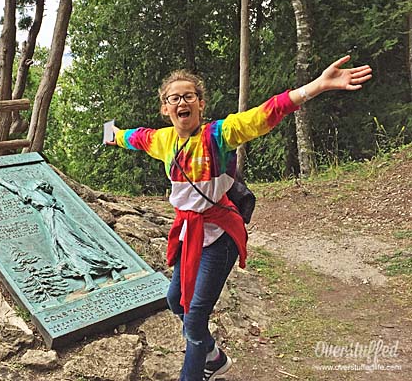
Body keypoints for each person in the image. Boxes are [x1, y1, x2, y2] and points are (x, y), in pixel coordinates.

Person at [106, 55, 372, 380]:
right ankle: (214, 357)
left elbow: (265, 114)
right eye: (173, 98)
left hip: (220, 238)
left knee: (193, 319)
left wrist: (316, 86)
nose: (181, 102)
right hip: (189, 236)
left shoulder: (219, 135)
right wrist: (113, 134)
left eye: (188, 96)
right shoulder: (163, 141)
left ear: (200, 104)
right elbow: (133, 137)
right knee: (175, 301)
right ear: (165, 108)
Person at [0, 178, 127, 291]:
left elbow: (18, 190)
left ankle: (104, 274)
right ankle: (99, 276)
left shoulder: (40, 196)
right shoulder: (40, 195)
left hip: (57, 221)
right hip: (53, 220)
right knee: (72, 246)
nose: (44, 187)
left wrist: (3, 182)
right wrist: (3, 182)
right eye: (43, 185)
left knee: (72, 246)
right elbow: (17, 189)